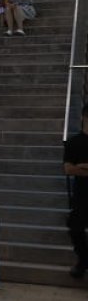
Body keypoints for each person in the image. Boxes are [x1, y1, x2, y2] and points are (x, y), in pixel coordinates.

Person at [63, 103, 88, 279]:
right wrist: (78, 168)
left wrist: (84, 167)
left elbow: (75, 168)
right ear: (84, 118)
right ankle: (83, 260)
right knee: (75, 228)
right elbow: (68, 169)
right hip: (81, 194)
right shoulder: (73, 142)